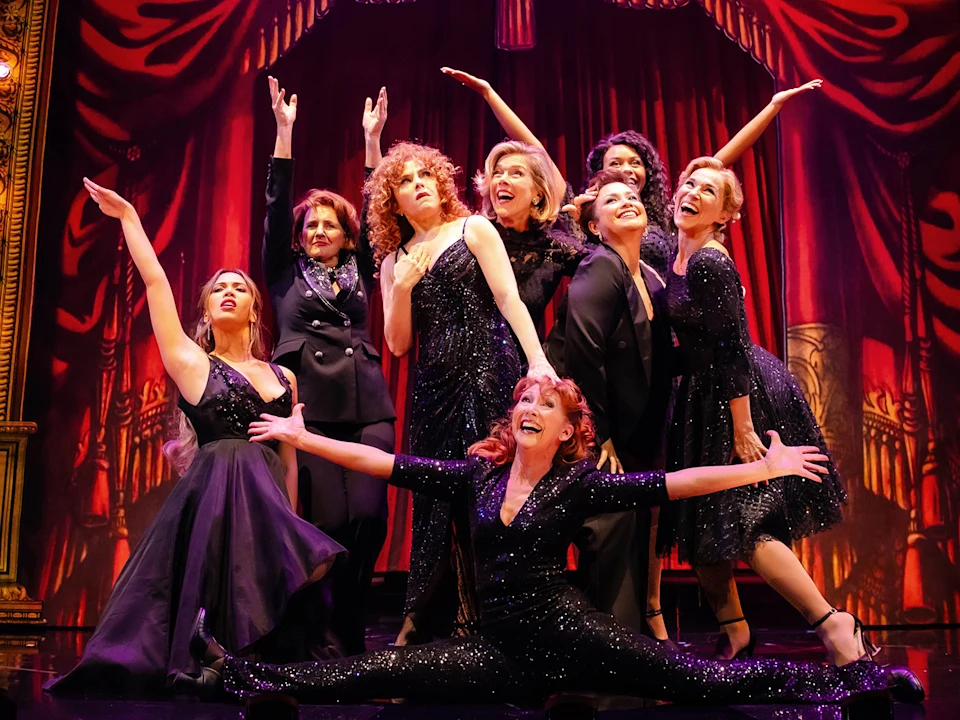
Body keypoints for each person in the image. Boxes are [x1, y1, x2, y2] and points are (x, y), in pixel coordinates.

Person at [181, 377, 922, 708]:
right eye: (524, 401)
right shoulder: (474, 477)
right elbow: (385, 462)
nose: (530, 407)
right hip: (498, 652)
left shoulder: (578, 487)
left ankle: (858, 683)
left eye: (548, 404)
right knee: (376, 672)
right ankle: (240, 679)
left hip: (573, 636)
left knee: (700, 682)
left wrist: (757, 468)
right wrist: (305, 437)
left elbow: (672, 483)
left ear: (569, 430)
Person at [45, 179, 343, 696]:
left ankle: (236, 657)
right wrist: (129, 219)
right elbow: (157, 283)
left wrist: (291, 527)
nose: (229, 292)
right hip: (215, 493)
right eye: (219, 289)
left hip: (267, 498)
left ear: (254, 308)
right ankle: (215, 652)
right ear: (206, 311)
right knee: (234, 474)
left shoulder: (284, 376)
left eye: (240, 288)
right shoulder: (192, 364)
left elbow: (290, 459)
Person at [657, 156, 865, 664]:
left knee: (747, 526)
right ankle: (737, 632)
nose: (694, 193)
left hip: (740, 395)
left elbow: (730, 346)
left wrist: (743, 427)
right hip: (703, 396)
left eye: (710, 191)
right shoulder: (675, 254)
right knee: (703, 526)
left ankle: (833, 623)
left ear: (724, 215)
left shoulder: (710, 261)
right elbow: (699, 346)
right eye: (690, 184)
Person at [365, 141, 556, 645]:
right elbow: (399, 344)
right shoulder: (393, 264)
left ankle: (499, 621)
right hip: (434, 388)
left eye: (424, 174)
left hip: (490, 373)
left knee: (489, 492)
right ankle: (427, 623)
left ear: (441, 182)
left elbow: (509, 299)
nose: (418, 184)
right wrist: (402, 287)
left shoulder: (474, 228)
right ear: (392, 201)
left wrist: (537, 362)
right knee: (434, 498)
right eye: (403, 181)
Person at [260, 77, 396, 656]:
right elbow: (274, 206)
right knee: (327, 523)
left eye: (329, 225)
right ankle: (319, 628)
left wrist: (373, 143)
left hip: (366, 402)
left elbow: (376, 211)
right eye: (310, 225)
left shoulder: (362, 269)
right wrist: (284, 133)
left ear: (345, 236)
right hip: (308, 404)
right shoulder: (283, 272)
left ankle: (353, 613)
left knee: (368, 518)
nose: (318, 231)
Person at [544, 169, 674, 641]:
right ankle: (608, 664)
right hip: (597, 436)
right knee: (612, 536)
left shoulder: (651, 276)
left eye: (632, 196)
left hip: (635, 433)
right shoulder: (600, 265)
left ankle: (628, 656)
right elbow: (581, 351)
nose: (626, 201)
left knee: (634, 541)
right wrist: (600, 434)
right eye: (611, 199)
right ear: (594, 225)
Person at [572, 80, 824, 279]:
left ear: (648, 172)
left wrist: (773, 107)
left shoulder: (667, 215)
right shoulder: (587, 217)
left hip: (659, 326)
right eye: (615, 164)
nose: (627, 170)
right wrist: (580, 223)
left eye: (635, 163)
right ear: (601, 172)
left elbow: (718, 163)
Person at [442, 68, 587, 335]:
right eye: (497, 173)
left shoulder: (555, 248)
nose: (502, 180)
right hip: (456, 370)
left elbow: (607, 274)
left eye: (516, 173)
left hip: (523, 370)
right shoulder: (467, 235)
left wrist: (488, 92)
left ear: (538, 194)